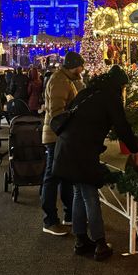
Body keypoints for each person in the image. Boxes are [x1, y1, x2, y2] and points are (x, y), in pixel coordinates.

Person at [54, 65, 138, 260]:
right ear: (119, 85)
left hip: (66, 148)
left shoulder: (87, 93)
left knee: (79, 192)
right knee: (90, 195)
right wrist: (136, 149)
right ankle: (100, 244)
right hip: (82, 151)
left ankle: (81, 240)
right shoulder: (111, 98)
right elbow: (122, 127)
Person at [40, 51, 84, 236]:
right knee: (52, 177)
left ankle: (69, 214)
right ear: (74, 66)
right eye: (81, 66)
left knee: (64, 176)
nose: (82, 70)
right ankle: (50, 220)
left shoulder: (67, 80)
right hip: (56, 136)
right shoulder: (60, 81)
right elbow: (57, 112)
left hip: (62, 135)